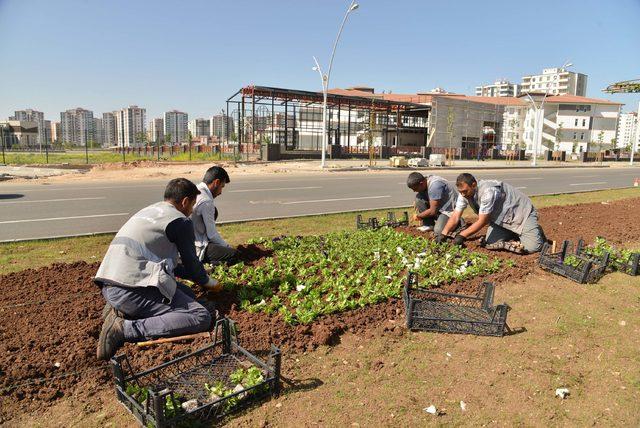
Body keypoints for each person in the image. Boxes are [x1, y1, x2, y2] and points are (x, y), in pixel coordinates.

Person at [95, 178, 221, 361]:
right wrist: (208, 282)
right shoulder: (181, 222)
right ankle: (123, 329)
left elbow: (174, 266)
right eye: (192, 204)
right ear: (185, 201)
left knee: (187, 294)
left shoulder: (151, 211)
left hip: (110, 283)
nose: (192, 210)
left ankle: (123, 308)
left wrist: (198, 275)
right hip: (129, 291)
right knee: (200, 316)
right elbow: (192, 265)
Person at [439, 173, 546, 253]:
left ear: (473, 185)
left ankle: (535, 229)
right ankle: (515, 232)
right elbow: (456, 215)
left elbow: (483, 221)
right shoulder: (464, 194)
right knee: (490, 242)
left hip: (520, 214)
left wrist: (462, 235)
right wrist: (443, 233)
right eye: (460, 192)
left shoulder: (488, 191)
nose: (463, 194)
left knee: (532, 248)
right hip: (502, 219)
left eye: (465, 191)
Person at [191, 166, 238, 265]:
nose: (221, 192)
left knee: (214, 211)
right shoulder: (206, 201)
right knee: (234, 255)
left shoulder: (197, 188)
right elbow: (212, 235)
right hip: (195, 245)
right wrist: (227, 247)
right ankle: (203, 262)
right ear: (216, 182)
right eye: (222, 187)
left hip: (190, 238)